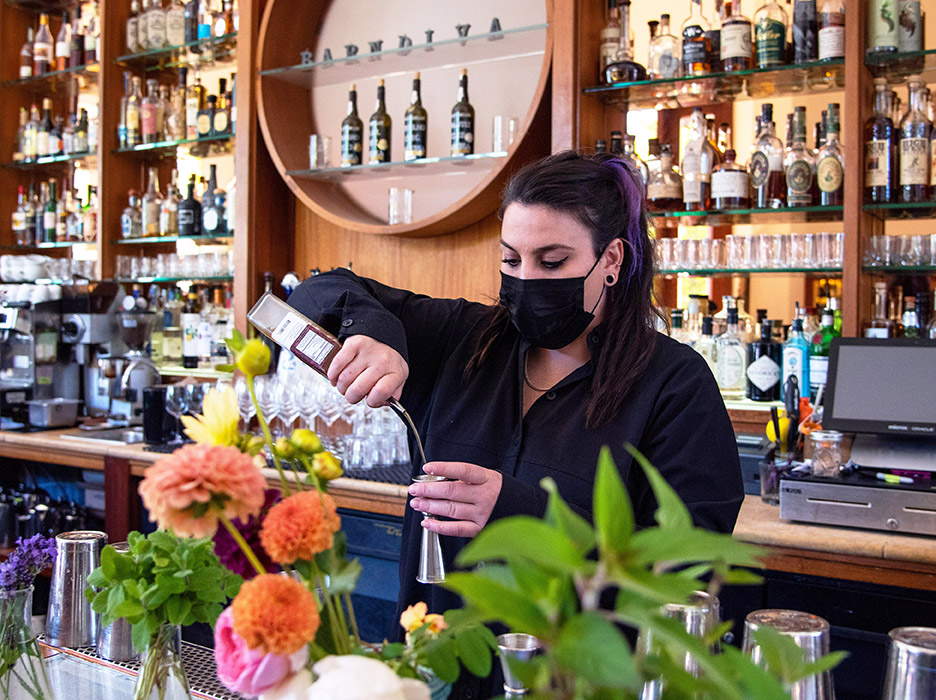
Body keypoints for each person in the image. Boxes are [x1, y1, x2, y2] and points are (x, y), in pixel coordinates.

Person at [287, 151, 744, 698]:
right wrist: (376, 331)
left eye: (551, 263)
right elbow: (313, 294)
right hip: (434, 669)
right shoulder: (462, 338)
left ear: (613, 260)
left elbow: (686, 570)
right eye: (510, 260)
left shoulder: (673, 385)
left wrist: (527, 515)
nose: (526, 280)